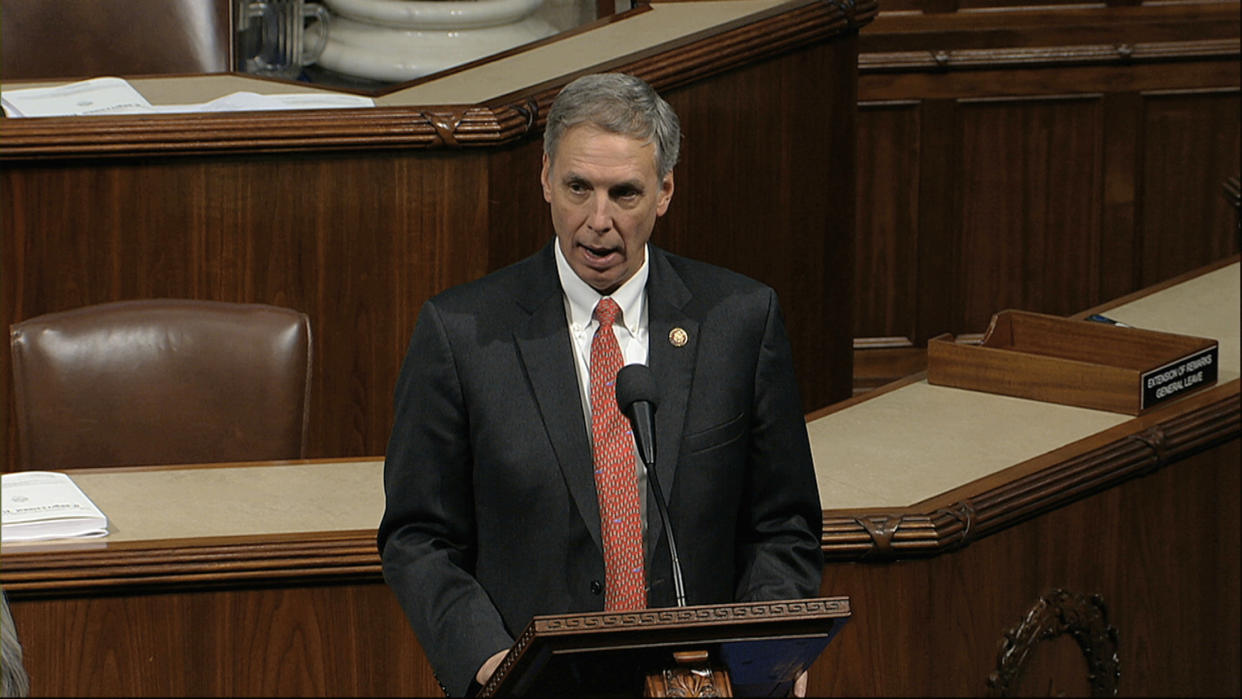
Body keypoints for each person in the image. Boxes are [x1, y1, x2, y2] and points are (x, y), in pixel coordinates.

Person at [379, 72, 823, 697]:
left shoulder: (739, 321)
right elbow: (417, 535)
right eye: (578, 188)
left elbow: (783, 523)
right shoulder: (461, 334)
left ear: (665, 191)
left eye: (625, 193)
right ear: (544, 177)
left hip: (697, 682)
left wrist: (767, 655)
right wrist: (491, 662)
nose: (598, 221)